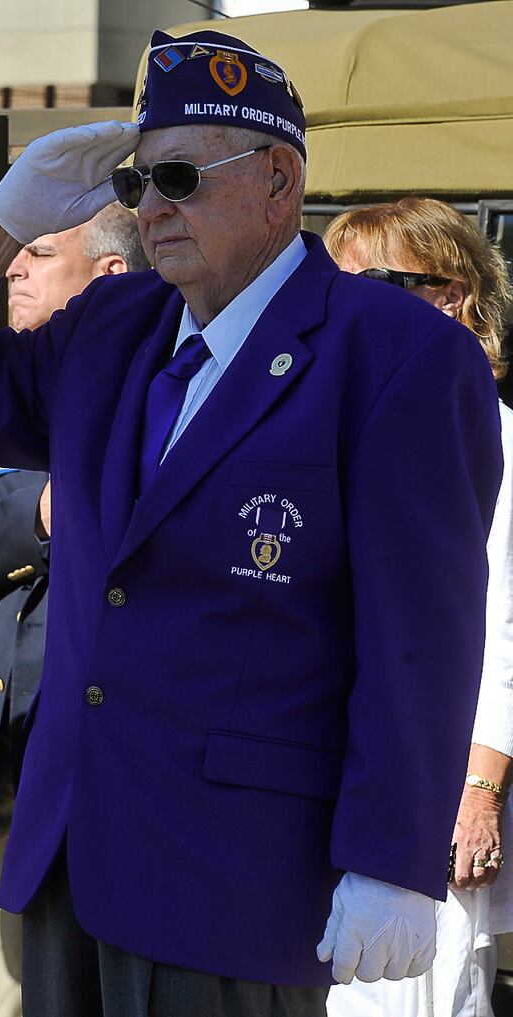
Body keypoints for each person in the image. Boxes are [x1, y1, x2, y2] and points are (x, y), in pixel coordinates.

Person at [0, 28, 503, 1017]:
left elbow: (420, 632)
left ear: (277, 183)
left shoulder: (397, 355)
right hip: (73, 844)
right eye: (136, 184)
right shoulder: (110, 330)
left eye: (176, 175)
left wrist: (392, 858)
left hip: (236, 871)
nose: (151, 206)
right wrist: (0, 224)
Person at [0, 201, 147, 1017]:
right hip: (8, 772)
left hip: (100, 781)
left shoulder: (155, 395)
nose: (12, 268)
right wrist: (42, 514)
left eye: (39, 252)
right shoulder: (5, 409)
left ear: (109, 276)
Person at [323, 196, 513, 1017]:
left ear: (456, 295)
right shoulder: (329, 422)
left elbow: (502, 627)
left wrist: (477, 790)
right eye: (337, 284)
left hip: (426, 802)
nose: (348, 302)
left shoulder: (493, 433)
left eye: (383, 282)